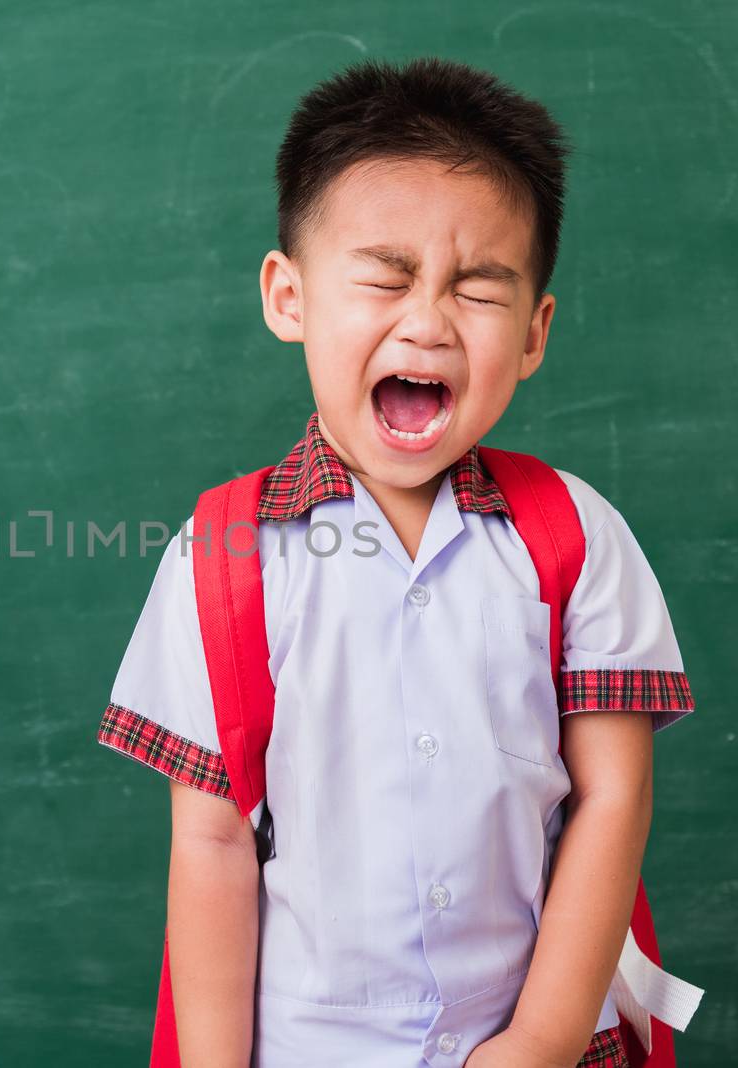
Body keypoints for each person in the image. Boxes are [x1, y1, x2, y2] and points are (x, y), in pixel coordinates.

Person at [96, 56, 696, 1068]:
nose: (426, 320)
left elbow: (612, 798)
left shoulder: (576, 537)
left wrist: (541, 1041)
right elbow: (209, 842)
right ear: (288, 296)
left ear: (535, 332)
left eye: (477, 287)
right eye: (383, 274)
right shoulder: (225, 556)